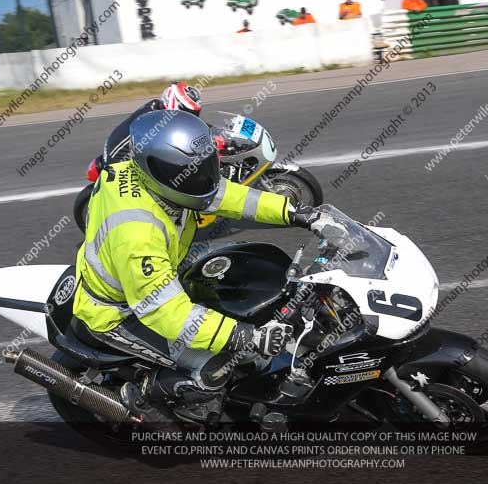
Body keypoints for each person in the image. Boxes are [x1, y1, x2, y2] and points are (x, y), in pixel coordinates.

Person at [72, 109, 327, 423]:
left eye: (207, 167)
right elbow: (168, 314)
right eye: (197, 172)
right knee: (224, 359)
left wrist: (295, 212)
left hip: (151, 274)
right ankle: (143, 398)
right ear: (162, 171)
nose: (206, 176)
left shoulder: (152, 173)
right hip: (119, 311)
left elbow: (225, 194)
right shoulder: (137, 234)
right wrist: (245, 337)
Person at [103, 82, 202, 164]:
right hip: (119, 158)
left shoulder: (162, 112)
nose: (191, 116)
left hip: (137, 150)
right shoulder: (156, 120)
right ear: (174, 103)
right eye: (188, 112)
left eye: (194, 113)